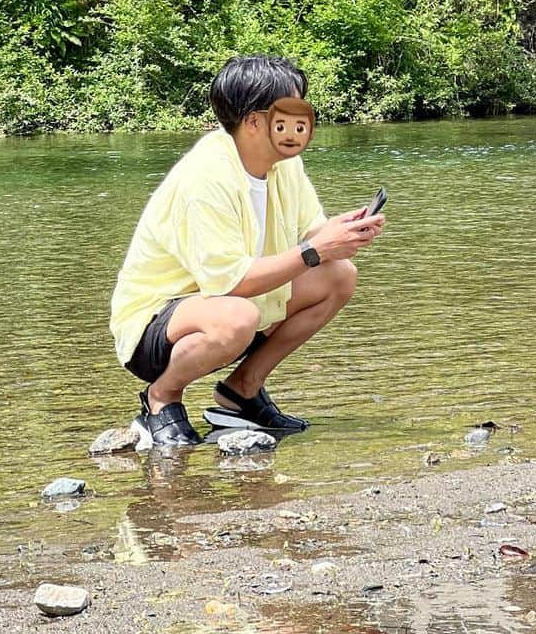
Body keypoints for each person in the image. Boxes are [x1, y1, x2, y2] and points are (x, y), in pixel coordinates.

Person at [110, 54, 385, 448]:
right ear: (254, 122)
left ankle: (241, 391)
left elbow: (315, 232)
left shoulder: (284, 161)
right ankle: (160, 399)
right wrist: (315, 249)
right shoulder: (206, 177)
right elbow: (229, 283)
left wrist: (345, 234)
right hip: (155, 324)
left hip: (234, 306)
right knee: (238, 315)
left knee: (339, 274)